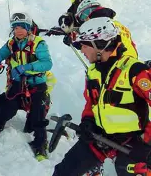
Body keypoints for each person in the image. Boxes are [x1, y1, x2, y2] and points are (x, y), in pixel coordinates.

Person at [52, 17, 151, 176]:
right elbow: (92, 103)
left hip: (134, 142)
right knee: (63, 171)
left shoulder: (134, 71)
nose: (82, 50)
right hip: (101, 137)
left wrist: (148, 144)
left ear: (99, 45)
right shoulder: (93, 73)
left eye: (84, 45)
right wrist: (88, 121)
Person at [0, 12, 52, 161]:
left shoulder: (38, 43)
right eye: (15, 28)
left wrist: (24, 67)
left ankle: (40, 144)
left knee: (37, 116)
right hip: (17, 84)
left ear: (28, 28)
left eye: (22, 27)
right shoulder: (11, 43)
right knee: (8, 107)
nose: (18, 31)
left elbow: (47, 63)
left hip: (36, 85)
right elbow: (0, 54)